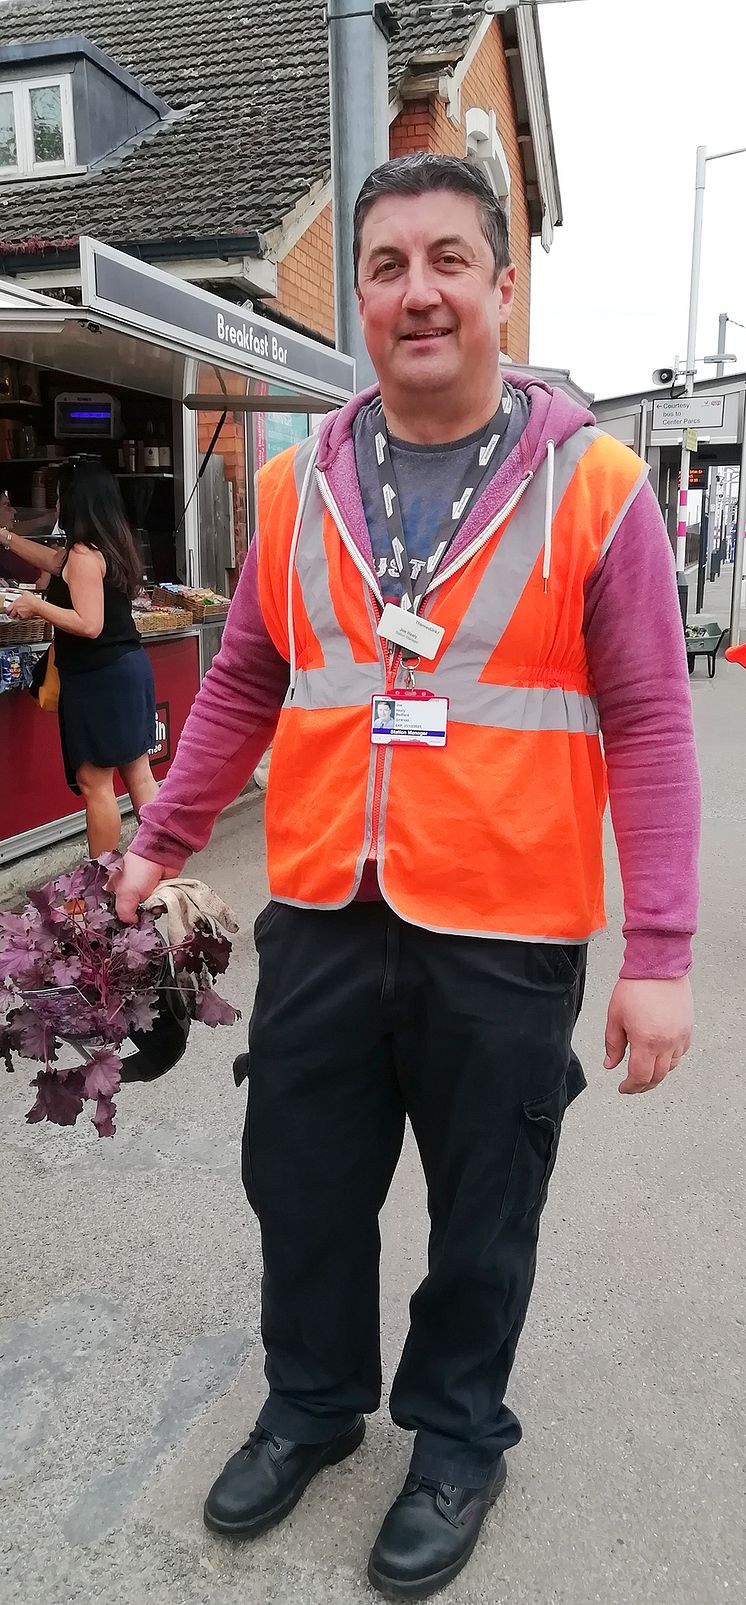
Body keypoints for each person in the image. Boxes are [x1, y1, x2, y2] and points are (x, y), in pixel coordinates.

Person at [113, 155, 700, 1600]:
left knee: (481, 1211)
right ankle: (311, 1404)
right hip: (319, 908)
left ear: (501, 287)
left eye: (450, 260)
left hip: (505, 932)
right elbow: (245, 677)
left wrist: (662, 951)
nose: (418, 291)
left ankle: (455, 1438)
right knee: (299, 1189)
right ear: (360, 300)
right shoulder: (293, 481)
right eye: (386, 266)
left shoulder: (594, 485)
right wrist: (160, 839)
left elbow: (649, 720)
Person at [5, 460, 158, 856]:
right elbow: (53, 562)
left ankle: (102, 885)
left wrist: (36, 606)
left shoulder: (84, 554)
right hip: (126, 668)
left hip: (99, 677)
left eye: (59, 495)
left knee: (96, 783)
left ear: (73, 501)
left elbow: (89, 624)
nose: (56, 503)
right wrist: (5, 537)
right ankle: (161, 867)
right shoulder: (107, 543)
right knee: (139, 774)